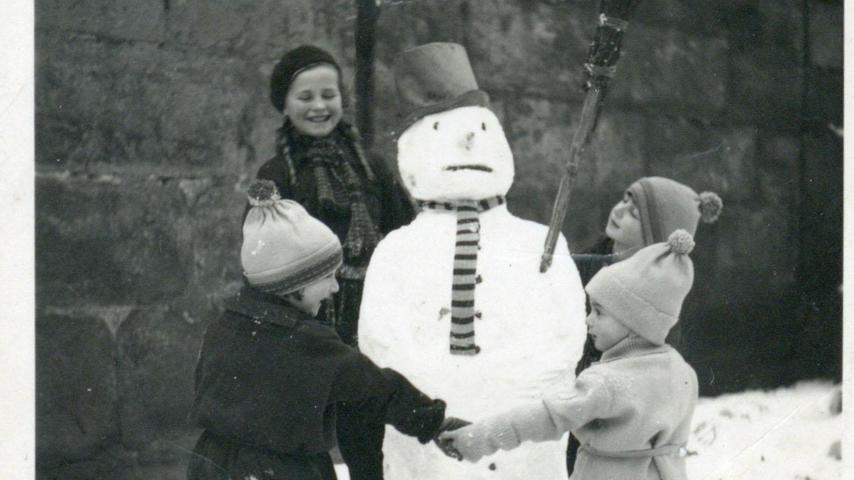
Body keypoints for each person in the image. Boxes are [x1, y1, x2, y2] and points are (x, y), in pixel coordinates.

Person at [187, 180, 459, 480]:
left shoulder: (225, 326)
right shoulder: (306, 341)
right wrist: (432, 422)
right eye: (327, 276)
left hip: (210, 463)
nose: (334, 287)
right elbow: (375, 389)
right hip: (284, 471)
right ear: (293, 283)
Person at [440, 230, 700, 480]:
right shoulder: (683, 373)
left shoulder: (606, 382)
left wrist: (476, 438)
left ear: (633, 321)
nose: (588, 320)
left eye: (599, 312)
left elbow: (544, 417)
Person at [256, 44, 414, 346]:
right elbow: (264, 258)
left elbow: (403, 231)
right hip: (309, 318)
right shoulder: (275, 175)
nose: (319, 106)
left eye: (329, 95)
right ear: (285, 105)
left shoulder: (371, 167)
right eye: (305, 97)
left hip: (375, 310)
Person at [567, 176, 721, 475]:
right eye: (625, 199)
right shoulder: (579, 267)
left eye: (634, 212)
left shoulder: (657, 303)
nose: (619, 210)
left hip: (615, 418)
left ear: (656, 238)